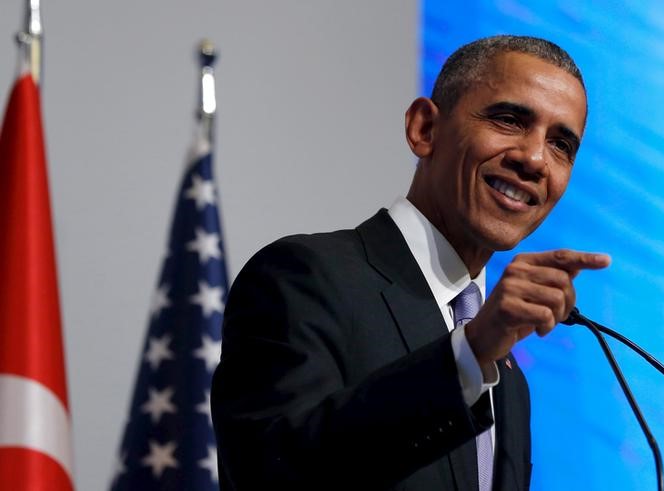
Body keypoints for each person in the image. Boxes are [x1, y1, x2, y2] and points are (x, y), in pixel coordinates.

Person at [211, 35, 610, 490]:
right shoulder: (302, 278)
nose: (536, 159)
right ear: (424, 129)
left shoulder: (509, 379)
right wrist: (471, 352)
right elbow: (275, 473)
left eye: (561, 145)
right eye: (508, 119)